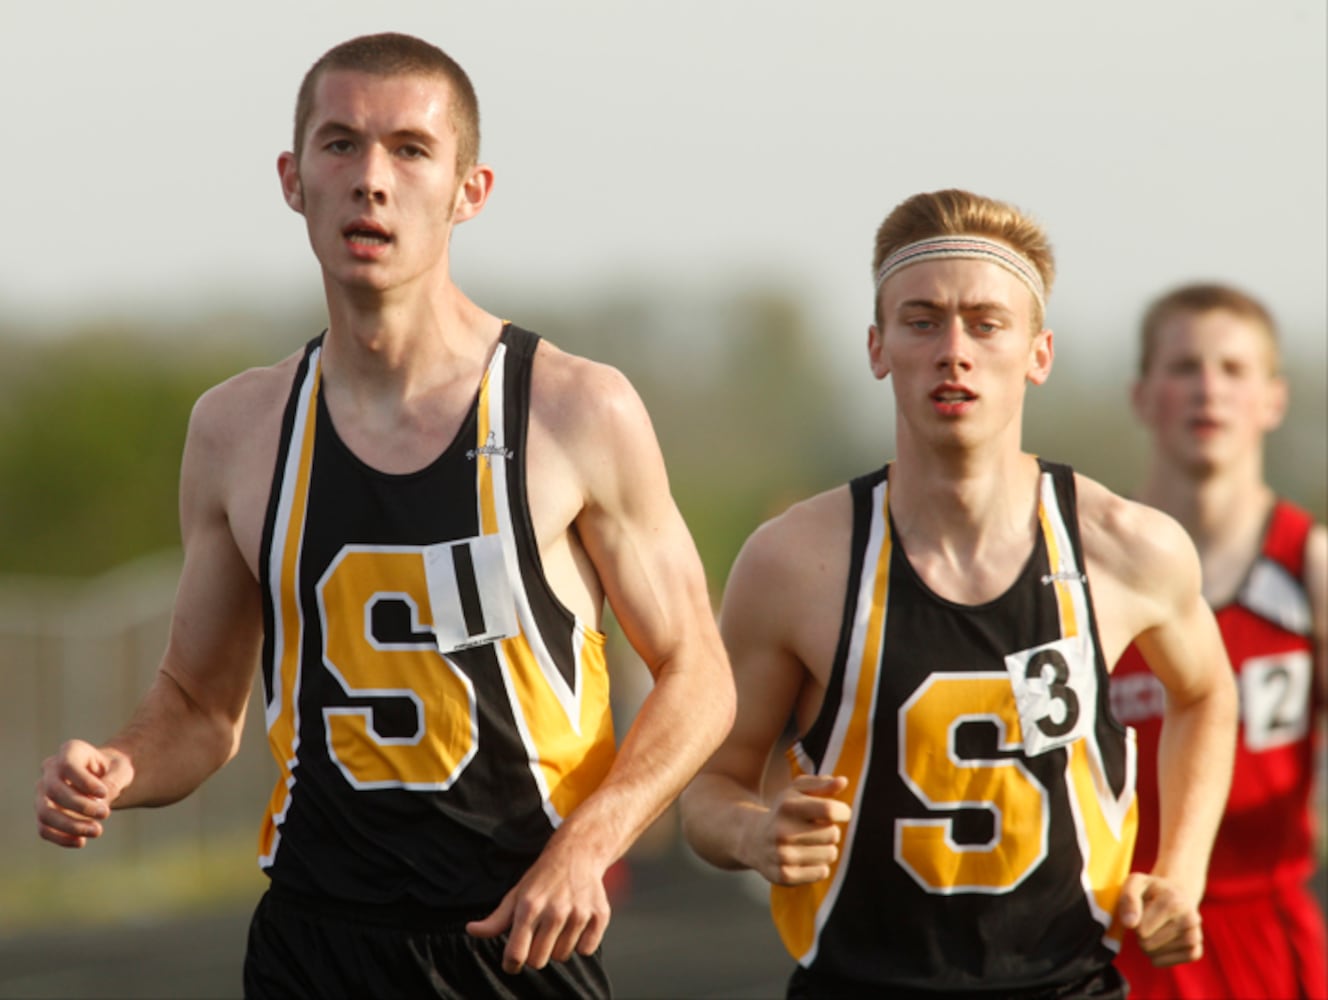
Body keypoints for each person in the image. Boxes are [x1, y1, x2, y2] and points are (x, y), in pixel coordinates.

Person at [33, 32, 734, 999]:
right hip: (311, 944)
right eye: (340, 145)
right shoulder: (237, 428)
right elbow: (200, 708)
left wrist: (592, 844)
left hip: (515, 941)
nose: (372, 180)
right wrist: (114, 764)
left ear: (468, 190)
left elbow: (698, 674)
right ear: (292, 178)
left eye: (410, 149)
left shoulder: (573, 408)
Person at [679, 189, 1240, 998]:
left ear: (1038, 353)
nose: (954, 351)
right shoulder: (795, 560)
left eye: (985, 323)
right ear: (877, 347)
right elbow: (707, 783)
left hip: (1069, 984)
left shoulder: (1128, 548)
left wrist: (1180, 873)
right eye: (921, 321)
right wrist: (754, 831)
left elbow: (1207, 695)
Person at [1110, 283, 1327, 999]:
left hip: (1264, 938)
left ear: (1273, 399)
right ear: (1143, 396)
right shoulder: (1091, 571)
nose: (1209, 389)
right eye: (1183, 368)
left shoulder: (1311, 566)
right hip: (1109, 938)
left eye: (1234, 369)